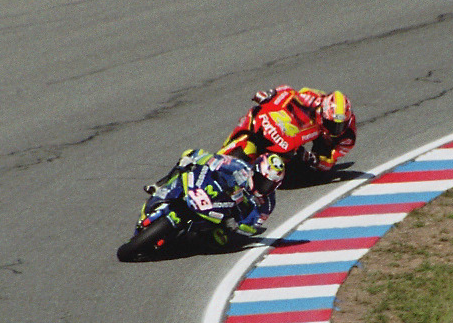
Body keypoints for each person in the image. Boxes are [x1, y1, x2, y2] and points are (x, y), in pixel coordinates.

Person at [144, 148, 284, 241]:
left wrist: (237, 225)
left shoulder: (267, 204)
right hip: (211, 195)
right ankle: (160, 185)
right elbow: (214, 160)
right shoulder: (240, 166)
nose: (264, 186)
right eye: (263, 180)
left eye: (269, 184)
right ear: (254, 171)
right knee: (189, 155)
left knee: (217, 240)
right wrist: (195, 159)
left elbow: (253, 227)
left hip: (226, 218)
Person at [228, 86, 357, 172]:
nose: (335, 129)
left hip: (322, 144)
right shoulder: (312, 98)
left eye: (340, 125)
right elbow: (288, 92)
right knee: (254, 119)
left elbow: (329, 163)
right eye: (331, 123)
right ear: (323, 113)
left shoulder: (348, 137)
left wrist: (314, 159)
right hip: (308, 126)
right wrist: (270, 94)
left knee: (312, 171)